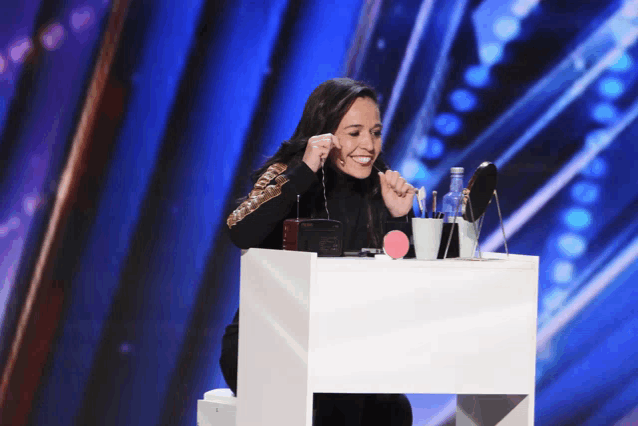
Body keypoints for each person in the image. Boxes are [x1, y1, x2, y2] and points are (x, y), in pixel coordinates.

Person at [220, 77, 415, 426]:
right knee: (336, 403)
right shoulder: (288, 174)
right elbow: (241, 229)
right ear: (324, 134)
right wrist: (305, 171)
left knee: (393, 409)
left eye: (375, 132)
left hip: (339, 344)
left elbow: (402, 270)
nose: (368, 145)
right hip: (266, 342)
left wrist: (401, 219)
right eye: (354, 132)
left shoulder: (380, 186)